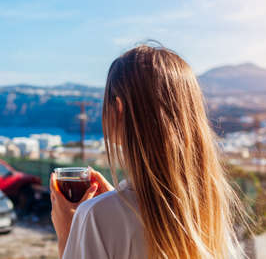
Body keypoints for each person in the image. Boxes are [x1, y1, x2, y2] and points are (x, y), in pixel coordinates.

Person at [50, 44, 245, 259]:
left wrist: (69, 234)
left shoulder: (95, 218)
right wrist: (117, 202)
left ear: (119, 108)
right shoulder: (208, 208)